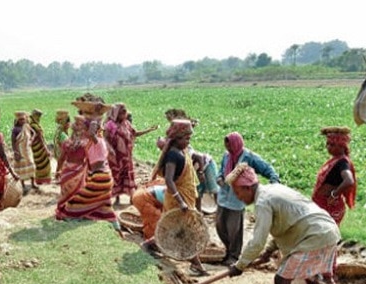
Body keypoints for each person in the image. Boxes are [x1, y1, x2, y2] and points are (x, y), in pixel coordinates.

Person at [226, 163, 340, 284]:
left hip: (315, 234)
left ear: (247, 187)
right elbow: (287, 222)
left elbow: (257, 241)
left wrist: (240, 265)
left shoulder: (263, 202)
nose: (237, 197)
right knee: (310, 275)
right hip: (327, 230)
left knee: (281, 278)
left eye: (238, 192)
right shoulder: (273, 189)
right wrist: (268, 252)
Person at [147, 119, 206, 273]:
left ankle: (151, 243)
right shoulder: (173, 155)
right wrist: (180, 201)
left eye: (189, 138)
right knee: (186, 231)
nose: (188, 141)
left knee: (173, 228)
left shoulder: (182, 151)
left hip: (185, 196)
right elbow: (168, 180)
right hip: (177, 199)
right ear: (177, 138)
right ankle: (196, 264)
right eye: (185, 138)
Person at [216, 132, 280, 266]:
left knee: (234, 229)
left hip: (237, 199)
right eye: (226, 147)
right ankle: (228, 250)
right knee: (220, 226)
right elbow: (221, 171)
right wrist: (220, 179)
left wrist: (274, 181)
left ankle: (234, 255)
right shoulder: (226, 156)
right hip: (224, 196)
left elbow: (266, 168)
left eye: (230, 147)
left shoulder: (249, 157)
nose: (228, 149)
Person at [56, 118, 122, 236]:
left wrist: (94, 119)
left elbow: (88, 137)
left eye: (84, 128)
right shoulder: (93, 142)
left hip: (99, 178)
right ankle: (116, 226)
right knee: (104, 205)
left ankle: (76, 217)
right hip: (103, 176)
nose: (82, 131)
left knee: (75, 203)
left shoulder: (97, 141)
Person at [311, 126, 356, 284]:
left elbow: (349, 181)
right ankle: (320, 271)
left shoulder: (342, 163)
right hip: (323, 206)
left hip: (330, 207)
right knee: (321, 239)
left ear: (342, 146)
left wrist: (334, 194)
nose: (329, 148)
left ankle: (328, 275)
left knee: (327, 241)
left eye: (332, 145)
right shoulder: (336, 161)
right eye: (328, 144)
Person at [104, 103, 158, 205]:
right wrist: (110, 149)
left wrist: (149, 130)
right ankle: (117, 198)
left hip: (127, 156)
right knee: (116, 176)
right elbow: (105, 138)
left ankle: (131, 198)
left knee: (128, 176)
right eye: (122, 112)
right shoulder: (110, 125)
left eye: (125, 112)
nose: (125, 114)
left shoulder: (127, 124)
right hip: (116, 157)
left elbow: (135, 133)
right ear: (116, 113)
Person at [55, 114, 88, 215]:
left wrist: (57, 170)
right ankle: (76, 212)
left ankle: (66, 211)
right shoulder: (85, 143)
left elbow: (61, 159)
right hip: (79, 171)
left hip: (67, 171)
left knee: (67, 193)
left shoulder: (66, 143)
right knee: (78, 193)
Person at [11, 111, 37, 194]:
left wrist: (31, 140)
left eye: (23, 119)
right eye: (20, 120)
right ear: (17, 120)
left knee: (31, 165)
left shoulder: (27, 126)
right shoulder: (15, 130)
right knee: (21, 168)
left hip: (27, 150)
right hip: (20, 150)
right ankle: (23, 185)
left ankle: (33, 183)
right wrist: (16, 152)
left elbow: (34, 133)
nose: (22, 121)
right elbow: (13, 142)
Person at [28, 109, 52, 185]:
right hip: (40, 147)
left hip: (35, 148)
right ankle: (44, 179)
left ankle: (39, 179)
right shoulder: (35, 126)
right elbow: (41, 139)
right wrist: (46, 149)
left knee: (38, 163)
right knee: (45, 163)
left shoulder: (30, 125)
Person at [52, 110, 71, 177]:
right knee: (62, 164)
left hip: (58, 151)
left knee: (59, 163)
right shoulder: (63, 134)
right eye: (69, 123)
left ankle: (57, 175)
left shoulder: (59, 130)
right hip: (61, 151)